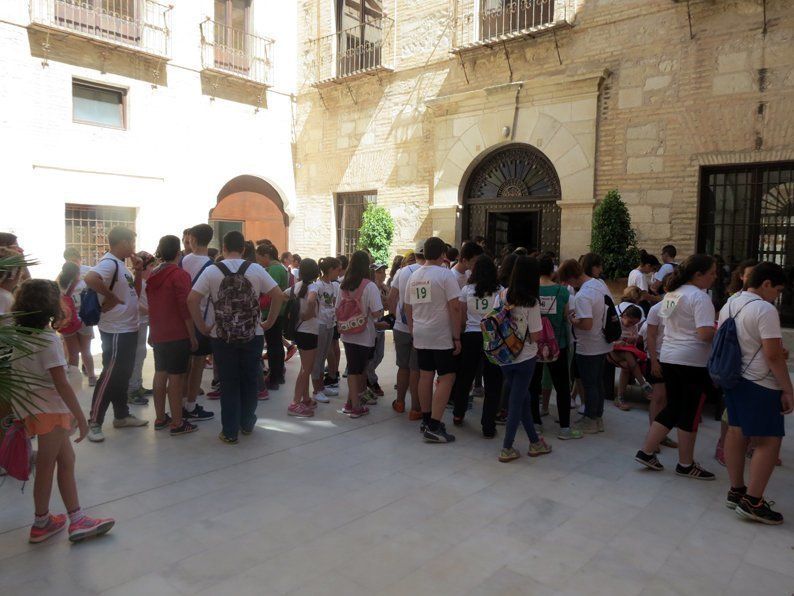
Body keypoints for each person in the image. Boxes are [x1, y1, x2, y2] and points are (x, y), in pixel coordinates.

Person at [12, 279, 115, 543]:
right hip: (51, 411)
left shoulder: (20, 335)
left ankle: (76, 518)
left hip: (34, 409)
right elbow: (61, 382)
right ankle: (42, 522)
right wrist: (81, 417)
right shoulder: (47, 339)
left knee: (66, 462)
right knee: (47, 467)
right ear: (52, 306)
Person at [188, 231, 284, 444]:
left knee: (229, 382)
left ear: (223, 247)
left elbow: (192, 299)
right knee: (250, 380)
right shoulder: (256, 269)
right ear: (243, 249)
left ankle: (230, 431)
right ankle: (247, 423)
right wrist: (269, 322)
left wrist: (202, 326)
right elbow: (278, 295)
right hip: (253, 334)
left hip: (222, 336)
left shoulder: (212, 271)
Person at [720, 262, 793, 524]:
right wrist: (788, 389)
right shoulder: (765, 309)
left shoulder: (731, 302)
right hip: (761, 383)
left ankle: (736, 490)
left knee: (736, 432)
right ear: (766, 284)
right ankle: (753, 501)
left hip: (734, 378)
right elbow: (772, 354)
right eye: (778, 289)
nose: (777, 295)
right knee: (769, 440)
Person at [634, 254, 717, 479]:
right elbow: (704, 333)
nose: (714, 277)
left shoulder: (672, 295)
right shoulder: (700, 298)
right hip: (691, 360)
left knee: (674, 406)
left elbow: (667, 324)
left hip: (669, 356)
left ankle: (646, 450)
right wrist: (724, 330)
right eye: (712, 273)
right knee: (688, 411)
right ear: (698, 274)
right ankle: (686, 463)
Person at [84, 227, 148, 442]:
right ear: (123, 241)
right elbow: (91, 278)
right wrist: (110, 296)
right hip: (116, 330)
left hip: (128, 328)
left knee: (122, 374)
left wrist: (138, 271)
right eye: (132, 241)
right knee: (110, 375)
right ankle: (94, 421)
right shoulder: (109, 262)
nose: (134, 246)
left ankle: (121, 415)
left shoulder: (121, 265)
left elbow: (134, 294)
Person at [404, 237, 461, 443]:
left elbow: (407, 306)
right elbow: (455, 307)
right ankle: (435, 425)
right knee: (447, 377)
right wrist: (457, 336)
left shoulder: (414, 275)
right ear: (443, 254)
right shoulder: (445, 275)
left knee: (425, 375)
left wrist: (412, 330)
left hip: (421, 332)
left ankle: (427, 419)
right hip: (441, 334)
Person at [497, 256, 550, 462]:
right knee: (517, 400)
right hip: (525, 357)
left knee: (524, 398)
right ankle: (507, 447)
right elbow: (536, 335)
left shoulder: (502, 295)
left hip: (504, 355)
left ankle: (535, 442)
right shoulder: (532, 302)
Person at [146, 235, 199, 436]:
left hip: (159, 331)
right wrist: (192, 335)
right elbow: (185, 307)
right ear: (178, 253)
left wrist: (152, 330)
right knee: (176, 377)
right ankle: (177, 422)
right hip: (177, 332)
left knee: (161, 373)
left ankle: (160, 418)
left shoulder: (153, 275)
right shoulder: (179, 275)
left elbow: (152, 306)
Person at [557, 255, 613, 434]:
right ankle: (598, 418)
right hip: (603, 341)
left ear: (572, 278)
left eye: (567, 281)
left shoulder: (582, 295)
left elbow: (586, 324)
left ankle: (590, 419)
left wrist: (572, 319)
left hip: (589, 345)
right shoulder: (598, 285)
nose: (568, 285)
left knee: (589, 384)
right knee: (597, 382)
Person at [529, 256, 582, 440]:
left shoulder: (530, 290)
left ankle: (535, 423)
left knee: (533, 385)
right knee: (562, 386)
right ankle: (565, 428)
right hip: (557, 345)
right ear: (552, 271)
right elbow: (567, 316)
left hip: (533, 346)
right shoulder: (562, 291)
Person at [451, 254, 503, 437]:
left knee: (465, 377)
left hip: (471, 336)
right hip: (492, 337)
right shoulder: (500, 290)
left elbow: (463, 316)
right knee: (493, 382)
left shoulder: (466, 290)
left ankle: (458, 414)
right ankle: (488, 425)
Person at [715, 259, 757, 465]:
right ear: (741, 276)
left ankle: (753, 443)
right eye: (749, 274)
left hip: (755, 363)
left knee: (750, 408)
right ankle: (723, 444)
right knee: (730, 408)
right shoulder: (734, 299)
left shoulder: (764, 301)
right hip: (735, 361)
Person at [336, 250, 383, 418]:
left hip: (347, 332)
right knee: (357, 370)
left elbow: (336, 308)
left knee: (353, 368)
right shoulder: (369, 286)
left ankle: (350, 402)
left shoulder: (342, 284)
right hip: (365, 334)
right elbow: (377, 313)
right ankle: (355, 407)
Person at [179, 224, 216, 421]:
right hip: (203, 320)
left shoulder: (183, 260)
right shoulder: (212, 265)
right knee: (198, 364)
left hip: (183, 319)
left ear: (192, 239)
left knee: (184, 364)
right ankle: (191, 405)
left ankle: (181, 403)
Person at [283, 258, 322, 417]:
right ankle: (295, 403)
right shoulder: (313, 286)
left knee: (305, 367)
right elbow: (312, 299)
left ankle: (305, 398)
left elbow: (282, 295)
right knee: (306, 369)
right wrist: (308, 313)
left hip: (299, 331)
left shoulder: (297, 286)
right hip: (309, 331)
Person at [387, 248, 423, 418]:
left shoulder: (402, 272)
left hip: (401, 326)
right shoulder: (431, 273)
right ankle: (416, 408)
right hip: (421, 327)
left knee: (403, 367)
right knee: (416, 369)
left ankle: (400, 402)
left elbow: (391, 297)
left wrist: (396, 316)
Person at [608, 304, 652, 411]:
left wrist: (633, 340)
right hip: (611, 352)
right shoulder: (614, 323)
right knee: (628, 356)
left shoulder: (634, 326)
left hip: (626, 356)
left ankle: (620, 398)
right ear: (624, 315)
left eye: (635, 323)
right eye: (631, 322)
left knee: (627, 365)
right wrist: (618, 342)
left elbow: (634, 344)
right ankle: (643, 384)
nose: (632, 325)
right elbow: (606, 340)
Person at [62, 248, 96, 385]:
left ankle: (74, 379)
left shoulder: (61, 281)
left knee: (74, 353)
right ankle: (91, 377)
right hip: (83, 318)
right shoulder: (86, 277)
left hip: (69, 321)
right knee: (84, 351)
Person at [313, 257, 342, 401]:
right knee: (318, 357)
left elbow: (335, 304)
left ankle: (321, 387)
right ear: (330, 270)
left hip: (330, 323)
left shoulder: (334, 285)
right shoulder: (318, 285)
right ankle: (316, 389)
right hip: (320, 324)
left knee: (324, 355)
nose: (339, 272)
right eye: (338, 269)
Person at [127, 254, 154, 405]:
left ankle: (138, 385)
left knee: (141, 354)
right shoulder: (138, 282)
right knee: (137, 355)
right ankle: (132, 390)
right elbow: (134, 303)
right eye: (151, 266)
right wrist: (152, 312)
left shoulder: (143, 282)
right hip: (137, 322)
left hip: (142, 322)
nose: (153, 269)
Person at [364, 262, 390, 399]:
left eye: (384, 271)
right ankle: (371, 380)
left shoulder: (383, 288)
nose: (383, 274)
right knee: (371, 356)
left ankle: (369, 377)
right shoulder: (371, 287)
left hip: (381, 324)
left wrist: (386, 292)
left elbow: (388, 305)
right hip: (372, 326)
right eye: (380, 272)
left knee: (379, 355)